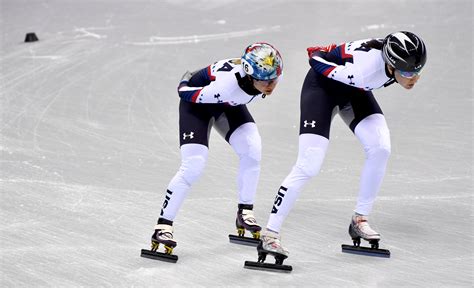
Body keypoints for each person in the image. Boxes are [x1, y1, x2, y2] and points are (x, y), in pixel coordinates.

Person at [259, 31, 427, 258]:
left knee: (380, 148)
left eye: (417, 71)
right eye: (408, 72)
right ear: (391, 64)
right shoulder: (363, 72)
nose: (414, 78)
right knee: (309, 164)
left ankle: (360, 219)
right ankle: (270, 235)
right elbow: (317, 61)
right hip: (322, 90)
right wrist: (316, 53)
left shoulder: (390, 58)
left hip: (355, 91)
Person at [148, 42, 283, 255]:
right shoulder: (225, 87)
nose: (271, 85)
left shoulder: (269, 71)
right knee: (193, 165)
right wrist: (185, 79)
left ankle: (245, 213)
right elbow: (184, 93)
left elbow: (264, 79)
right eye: (264, 81)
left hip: (229, 104)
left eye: (274, 79)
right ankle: (163, 226)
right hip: (198, 106)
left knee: (252, 149)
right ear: (249, 76)